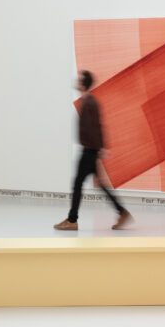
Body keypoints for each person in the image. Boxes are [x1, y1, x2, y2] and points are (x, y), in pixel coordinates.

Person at [54, 70, 132, 231]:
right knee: (100, 185)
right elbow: (98, 126)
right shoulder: (88, 101)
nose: (76, 81)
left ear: (83, 84)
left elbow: (95, 128)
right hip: (91, 150)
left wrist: (98, 150)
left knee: (78, 184)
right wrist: (100, 149)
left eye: (79, 80)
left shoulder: (89, 103)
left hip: (89, 151)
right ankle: (122, 212)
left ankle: (72, 220)